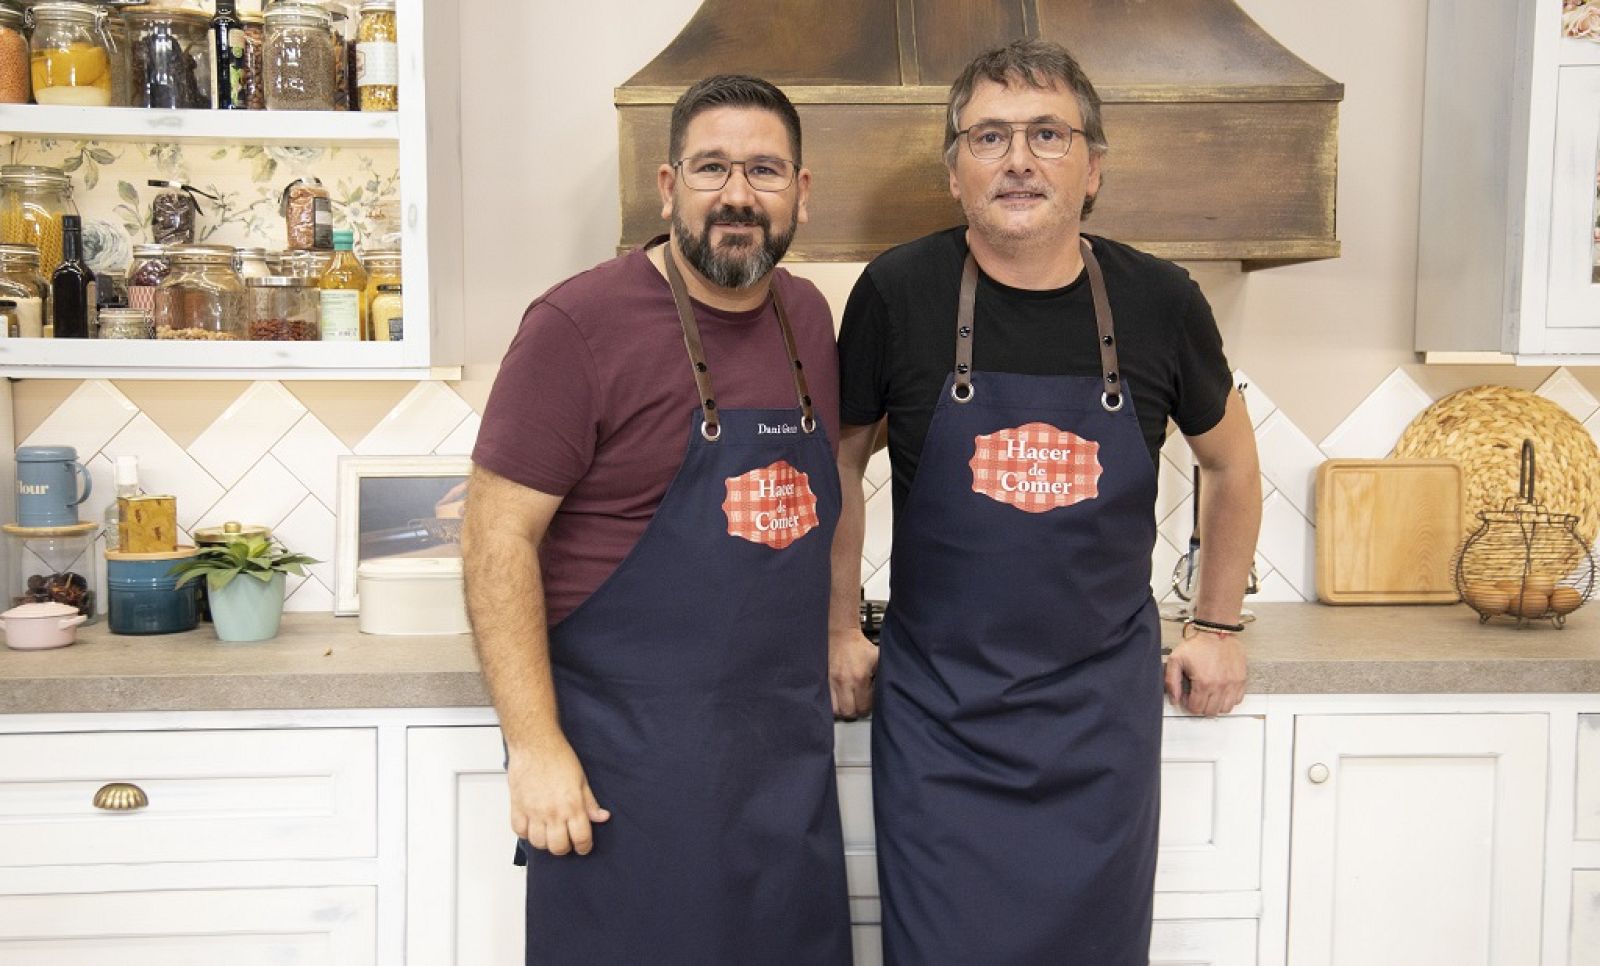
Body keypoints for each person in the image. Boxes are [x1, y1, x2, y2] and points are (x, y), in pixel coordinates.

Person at [828, 39, 1263, 965]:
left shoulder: (1160, 300)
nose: (1018, 158)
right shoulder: (897, 292)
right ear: (954, 172)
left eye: (1047, 134)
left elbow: (1231, 466)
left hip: (1097, 722)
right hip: (940, 719)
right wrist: (837, 628)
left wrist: (1218, 625)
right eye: (988, 136)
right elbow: (839, 465)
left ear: (1093, 167)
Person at [464, 74, 851, 965]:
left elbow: (830, 495)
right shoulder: (577, 323)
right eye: (712, 168)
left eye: (765, 170)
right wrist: (534, 746)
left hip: (783, 772)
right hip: (627, 781)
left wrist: (839, 628)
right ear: (668, 187)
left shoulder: (807, 319)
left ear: (801, 191)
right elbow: (495, 537)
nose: (739, 195)